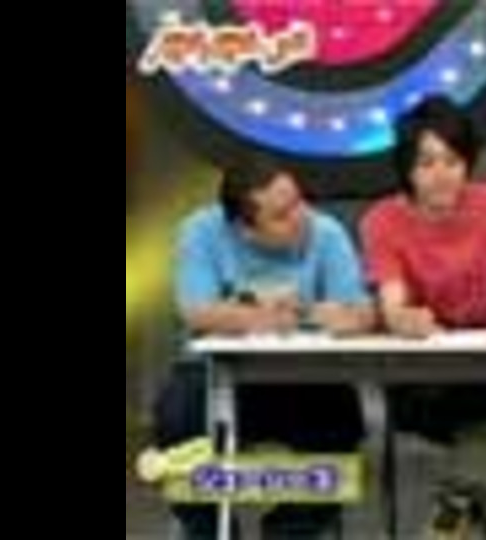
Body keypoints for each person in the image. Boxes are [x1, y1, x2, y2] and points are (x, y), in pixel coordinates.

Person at [154, 158, 374, 539]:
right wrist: (260, 316)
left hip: (304, 377)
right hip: (214, 374)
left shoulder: (326, 232)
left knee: (343, 421)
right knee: (176, 420)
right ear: (245, 229)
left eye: (299, 201)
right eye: (281, 215)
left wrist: (341, 318)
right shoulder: (201, 231)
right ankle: (212, 530)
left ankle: (290, 530)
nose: (300, 217)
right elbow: (196, 311)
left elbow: (360, 313)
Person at [360, 95, 486, 539]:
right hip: (424, 379)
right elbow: (392, 302)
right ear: (406, 168)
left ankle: (455, 515)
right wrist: (405, 319)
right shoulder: (382, 220)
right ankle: (459, 502)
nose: (442, 175)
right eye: (427, 163)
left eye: (453, 161)